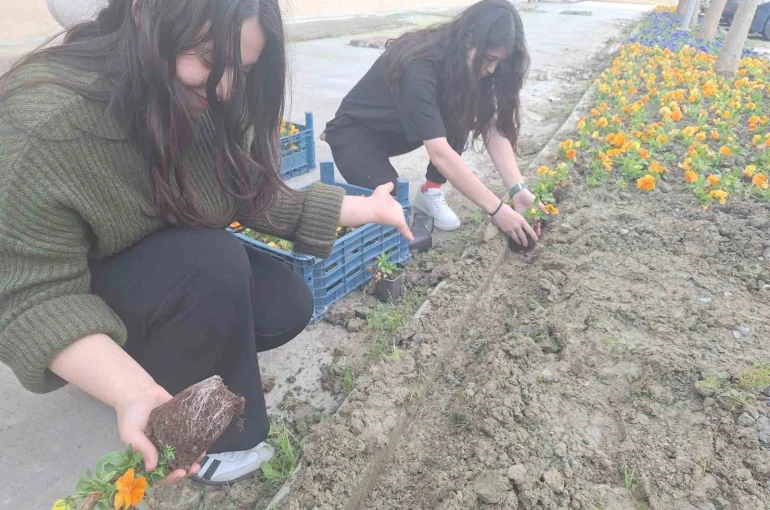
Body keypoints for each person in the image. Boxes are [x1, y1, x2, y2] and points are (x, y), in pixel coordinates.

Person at [0, 0, 412, 487]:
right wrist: (128, 389)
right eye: (208, 59)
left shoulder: (203, 97)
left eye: (244, 69)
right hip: (86, 288)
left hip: (158, 268)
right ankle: (211, 437)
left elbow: (247, 190)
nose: (224, 88)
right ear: (144, 15)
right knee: (213, 259)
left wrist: (367, 209)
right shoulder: (48, 125)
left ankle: (147, 363)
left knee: (282, 304)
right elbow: (30, 295)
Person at [325, 0, 542, 247]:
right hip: (355, 134)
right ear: (468, 39)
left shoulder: (468, 65)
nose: (491, 69)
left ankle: (430, 191)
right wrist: (498, 210)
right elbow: (440, 153)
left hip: (400, 130)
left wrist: (518, 190)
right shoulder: (419, 63)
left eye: (498, 63)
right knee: (392, 211)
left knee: (465, 109)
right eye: (488, 59)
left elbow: (491, 125)